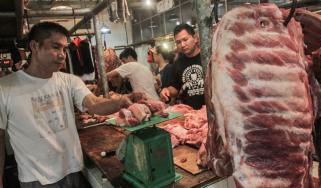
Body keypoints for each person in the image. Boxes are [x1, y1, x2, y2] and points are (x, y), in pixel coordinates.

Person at [0, 22, 133, 188]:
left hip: (72, 169)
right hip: (36, 179)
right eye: (56, 47)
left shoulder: (69, 81)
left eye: (64, 49)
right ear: (34, 46)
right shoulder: (5, 88)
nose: (62, 55)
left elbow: (94, 104)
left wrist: (122, 101)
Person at [159, 23, 205, 109]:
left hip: (211, 112)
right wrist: (167, 90)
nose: (182, 45)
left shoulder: (207, 57)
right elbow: (175, 87)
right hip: (190, 114)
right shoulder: (178, 63)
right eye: (178, 42)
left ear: (195, 38)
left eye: (185, 39)